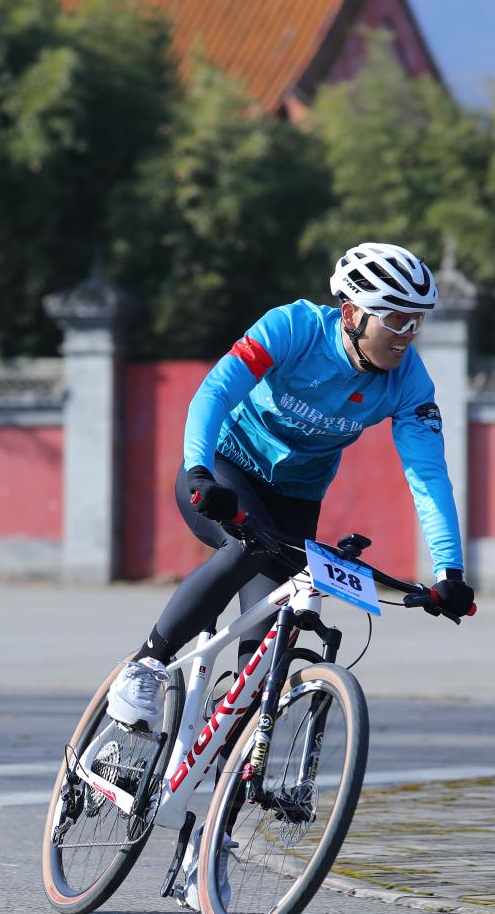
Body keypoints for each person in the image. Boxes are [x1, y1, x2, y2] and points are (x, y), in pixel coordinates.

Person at [105, 241, 475, 730]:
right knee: (247, 547)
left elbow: (428, 475)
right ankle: (146, 665)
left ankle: (223, 773)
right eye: (396, 319)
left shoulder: (410, 384)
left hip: (295, 500)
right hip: (224, 469)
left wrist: (448, 570)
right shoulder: (293, 328)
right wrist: (198, 471)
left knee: (264, 654)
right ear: (351, 313)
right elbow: (215, 391)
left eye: (416, 321)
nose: (407, 335)